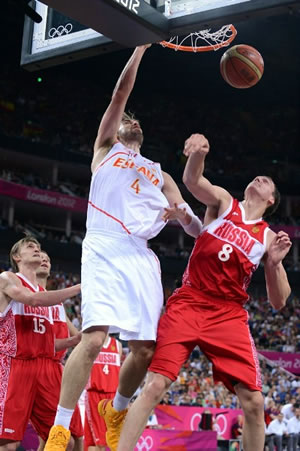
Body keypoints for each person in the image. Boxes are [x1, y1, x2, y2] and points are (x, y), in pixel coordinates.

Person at [45, 44, 202, 451]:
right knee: (94, 339)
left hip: (140, 254)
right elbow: (119, 94)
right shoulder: (105, 151)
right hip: (102, 244)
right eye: (125, 120)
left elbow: (196, 227)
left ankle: (115, 410)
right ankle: (60, 430)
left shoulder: (159, 172)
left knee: (146, 350)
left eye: (136, 121)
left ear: (143, 134)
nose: (130, 121)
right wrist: (139, 48)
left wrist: (180, 215)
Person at [116, 133, 292, 451]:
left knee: (254, 402)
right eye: (259, 177)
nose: (262, 178)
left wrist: (274, 265)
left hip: (228, 314)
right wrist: (198, 152)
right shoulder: (225, 203)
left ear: (271, 200)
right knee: (155, 384)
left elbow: (279, 301)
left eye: (268, 183)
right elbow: (192, 181)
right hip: (189, 301)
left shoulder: (267, 237)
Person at [0, 236, 81, 448]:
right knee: (8, 443)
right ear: (17, 257)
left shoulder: (45, 294)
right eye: (30, 246)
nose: (36, 249)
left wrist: (76, 339)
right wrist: (80, 287)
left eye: (39, 247)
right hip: (14, 365)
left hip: (43, 368)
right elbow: (32, 300)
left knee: (65, 441)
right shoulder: (8, 278)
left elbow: (47, 344)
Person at [35, 251, 84, 450]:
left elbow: (79, 337)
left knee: (76, 436)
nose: (45, 260)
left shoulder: (56, 302)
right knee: (65, 440)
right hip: (37, 366)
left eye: (48, 258)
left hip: (57, 370)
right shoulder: (24, 295)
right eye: (40, 256)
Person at [84, 334, 122, 451]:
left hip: (112, 396)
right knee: (98, 442)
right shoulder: (91, 342)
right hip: (95, 394)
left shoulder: (117, 345)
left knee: (108, 441)